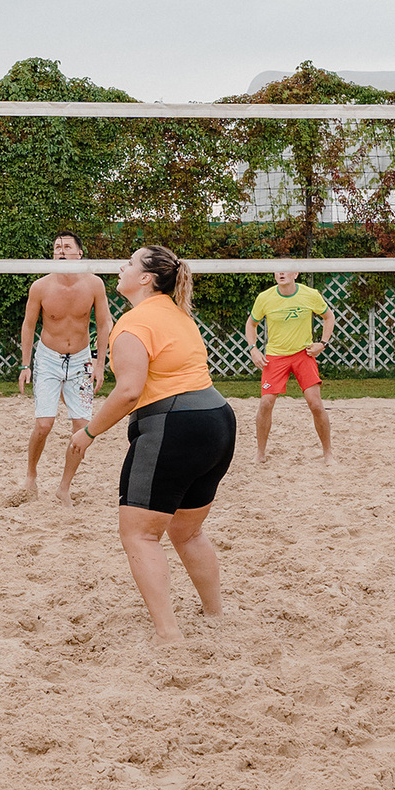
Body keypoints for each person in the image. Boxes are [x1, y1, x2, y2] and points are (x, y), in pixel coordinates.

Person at [64, 245, 236, 642]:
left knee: (139, 535)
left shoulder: (133, 323)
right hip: (219, 420)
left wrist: (87, 433)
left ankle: (167, 632)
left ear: (145, 278)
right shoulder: (179, 315)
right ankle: (216, 616)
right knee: (187, 532)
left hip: (174, 428)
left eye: (129, 263)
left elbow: (127, 392)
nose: (120, 268)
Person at [16, 232, 113, 502]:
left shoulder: (94, 284)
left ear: (79, 254)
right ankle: (31, 475)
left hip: (81, 359)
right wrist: (26, 365)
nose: (61, 251)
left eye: (67, 247)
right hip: (48, 358)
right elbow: (29, 324)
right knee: (44, 424)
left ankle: (64, 487)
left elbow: (105, 323)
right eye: (57, 247)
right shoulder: (41, 286)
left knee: (83, 429)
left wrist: (100, 362)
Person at [246, 267, 334, 461]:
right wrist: (253, 348)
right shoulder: (265, 298)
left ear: (296, 274)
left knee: (315, 404)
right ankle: (260, 454)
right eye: (277, 271)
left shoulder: (310, 295)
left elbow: (329, 317)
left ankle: (328, 453)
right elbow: (251, 324)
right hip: (276, 356)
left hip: (303, 354)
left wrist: (323, 343)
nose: (281, 273)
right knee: (266, 403)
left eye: (286, 270)